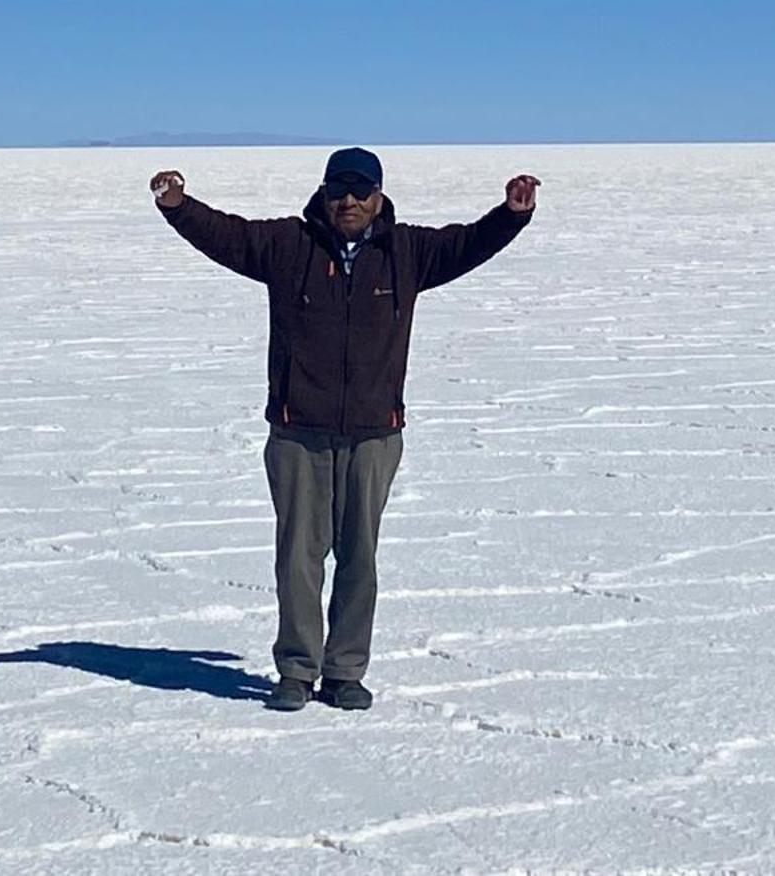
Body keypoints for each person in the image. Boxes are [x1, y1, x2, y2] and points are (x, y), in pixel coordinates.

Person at [151, 147, 538, 712]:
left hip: (373, 434)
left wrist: (511, 214)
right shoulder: (289, 245)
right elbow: (226, 236)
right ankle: (297, 671)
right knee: (299, 557)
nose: (349, 202)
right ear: (324, 193)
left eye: (360, 191)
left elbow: (468, 244)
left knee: (359, 557)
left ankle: (345, 672)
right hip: (297, 432)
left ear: (379, 195)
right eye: (339, 191)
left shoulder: (407, 252)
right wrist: (179, 206)